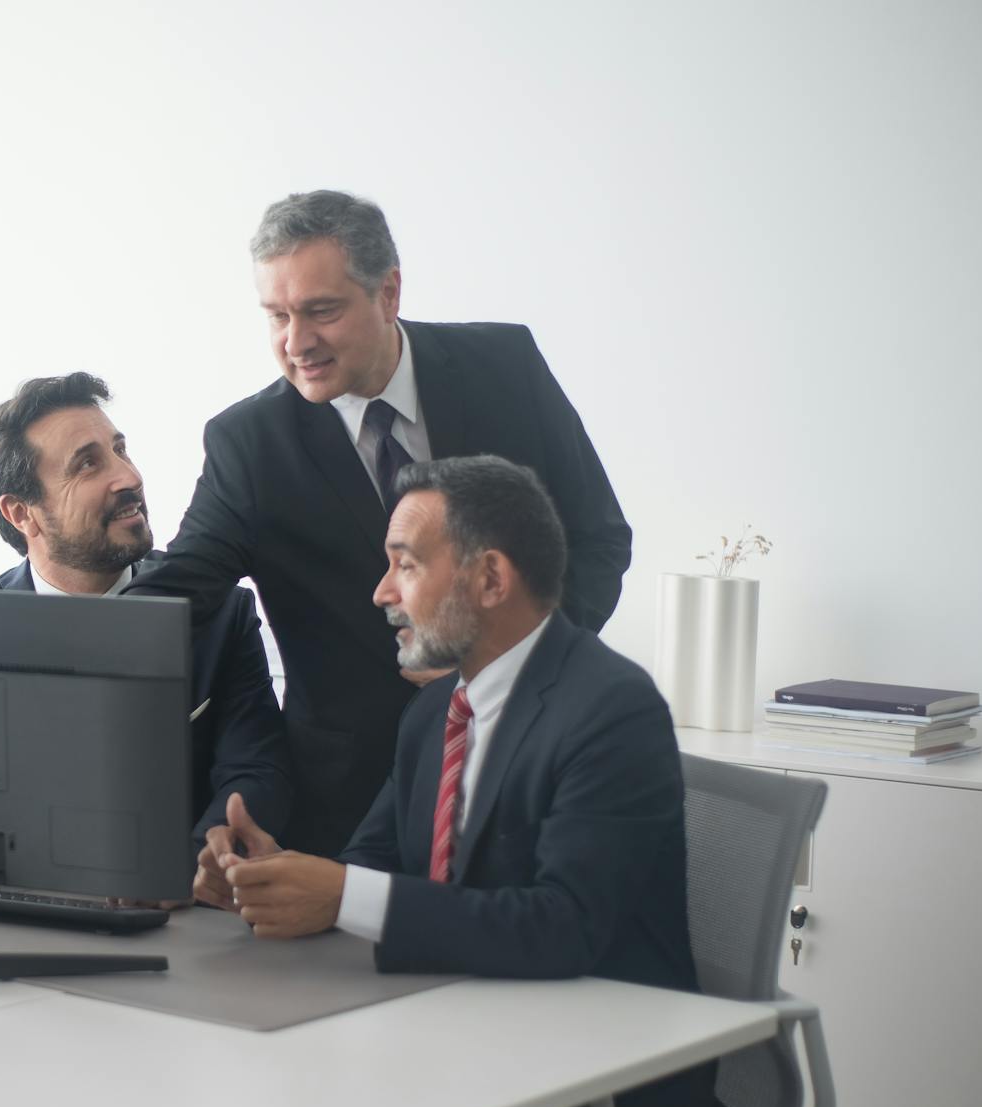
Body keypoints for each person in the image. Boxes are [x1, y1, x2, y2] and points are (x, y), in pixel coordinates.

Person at [190, 455, 744, 1107]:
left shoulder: (609, 709)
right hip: (460, 1032)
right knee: (272, 1092)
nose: (382, 591)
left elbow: (564, 927)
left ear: (490, 578)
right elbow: (372, 866)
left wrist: (341, 892)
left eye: (405, 565)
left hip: (595, 1075)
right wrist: (274, 879)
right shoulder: (433, 714)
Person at [132, 190, 632, 853]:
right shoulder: (249, 444)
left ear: (389, 292)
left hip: (526, 767)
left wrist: (513, 656)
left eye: (321, 312)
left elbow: (598, 539)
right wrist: (52, 628)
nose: (295, 343)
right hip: (347, 807)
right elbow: (181, 589)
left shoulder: (506, 368)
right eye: (276, 316)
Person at [0, 371, 293, 857]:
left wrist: (185, 867)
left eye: (121, 450)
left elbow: (256, 767)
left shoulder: (218, 610)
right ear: (21, 513)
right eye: (88, 464)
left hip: (180, 906)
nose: (129, 477)